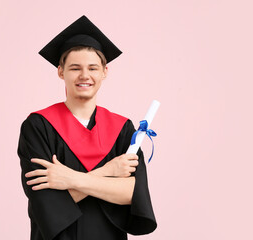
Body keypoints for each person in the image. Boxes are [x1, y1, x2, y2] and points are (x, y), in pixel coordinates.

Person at [17, 15, 157, 240]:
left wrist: (69, 180)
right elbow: (46, 204)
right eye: (75, 68)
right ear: (61, 71)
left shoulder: (123, 129)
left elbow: (132, 193)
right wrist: (108, 172)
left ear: (104, 72)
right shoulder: (38, 126)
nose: (84, 75)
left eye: (92, 68)